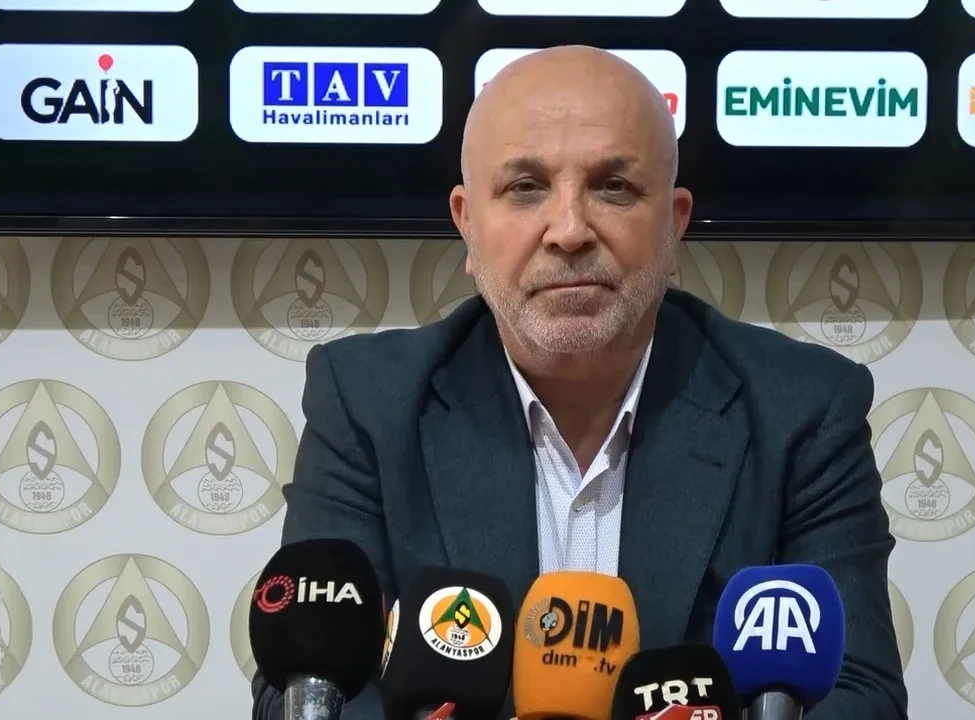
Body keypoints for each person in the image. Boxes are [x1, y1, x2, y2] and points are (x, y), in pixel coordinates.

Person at [251, 45, 908, 720]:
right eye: (525, 188)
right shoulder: (365, 402)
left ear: (674, 224)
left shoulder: (803, 409)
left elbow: (859, 695)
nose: (568, 231)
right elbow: (305, 683)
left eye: (613, 187)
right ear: (467, 224)